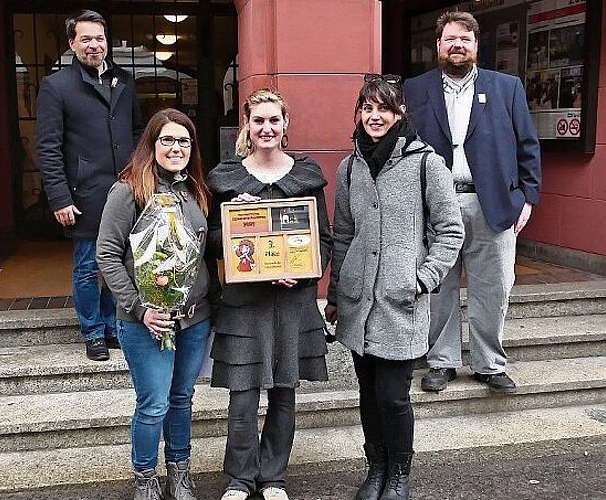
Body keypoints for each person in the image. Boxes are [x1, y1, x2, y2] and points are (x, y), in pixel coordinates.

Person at [324, 76, 464, 500]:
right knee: (367, 393)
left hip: (400, 302)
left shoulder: (426, 163)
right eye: (367, 108)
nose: (374, 116)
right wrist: (334, 295)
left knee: (393, 396)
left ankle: (400, 473)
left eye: (383, 108)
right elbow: (343, 234)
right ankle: (376, 468)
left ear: (399, 113)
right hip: (358, 303)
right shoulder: (350, 167)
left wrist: (423, 278)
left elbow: (450, 230)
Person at [403, 11, 541, 394]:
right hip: (436, 204)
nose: (457, 45)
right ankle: (442, 361)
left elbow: (528, 145)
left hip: (493, 204)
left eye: (464, 39)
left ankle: (489, 364)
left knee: (493, 288)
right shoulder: (415, 90)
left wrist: (527, 199)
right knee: (439, 287)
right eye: (450, 39)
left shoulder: (506, 87)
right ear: (439, 47)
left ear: (477, 46)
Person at [206, 88, 332, 500]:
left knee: (283, 392)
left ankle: (274, 477)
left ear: (285, 125)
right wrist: (237, 221)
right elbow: (210, 241)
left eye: (273, 120)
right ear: (247, 124)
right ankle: (241, 479)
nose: (266, 128)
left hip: (292, 302)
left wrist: (305, 274)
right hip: (245, 304)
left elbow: (324, 240)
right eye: (258, 120)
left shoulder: (306, 175)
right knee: (242, 398)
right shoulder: (228, 177)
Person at [96, 109, 212, 500]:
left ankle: (180, 472)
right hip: (146, 321)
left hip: (194, 319)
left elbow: (204, 248)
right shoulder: (128, 190)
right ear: (151, 144)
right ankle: (145, 477)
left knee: (182, 399)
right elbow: (107, 254)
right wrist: (138, 307)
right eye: (167, 140)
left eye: (184, 141)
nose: (176, 147)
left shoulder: (196, 189)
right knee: (153, 404)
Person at [37, 9, 143, 361]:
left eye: (99, 38)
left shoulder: (124, 81)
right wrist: (59, 198)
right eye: (86, 39)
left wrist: (142, 177)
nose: (94, 45)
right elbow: (48, 148)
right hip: (84, 194)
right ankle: (93, 331)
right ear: (72, 43)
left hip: (126, 191)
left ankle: (114, 325)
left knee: (123, 262)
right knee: (88, 267)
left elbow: (138, 133)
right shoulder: (56, 87)